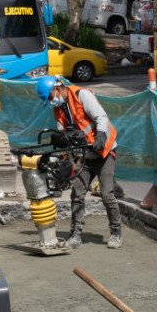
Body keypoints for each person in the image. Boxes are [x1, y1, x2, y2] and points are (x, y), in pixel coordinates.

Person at [35, 75, 122, 250]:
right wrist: (66, 151)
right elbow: (63, 132)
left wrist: (101, 135)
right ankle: (75, 235)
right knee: (77, 193)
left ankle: (116, 232)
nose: (52, 101)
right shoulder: (59, 109)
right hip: (85, 155)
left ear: (57, 89)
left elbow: (101, 117)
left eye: (51, 97)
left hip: (104, 151)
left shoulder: (82, 95)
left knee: (106, 194)